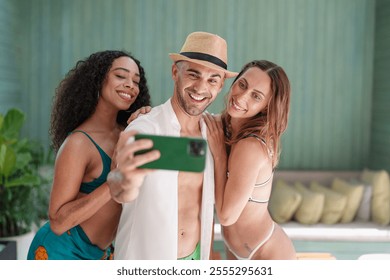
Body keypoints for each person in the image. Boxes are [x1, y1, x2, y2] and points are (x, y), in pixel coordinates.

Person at [107, 31, 237, 260]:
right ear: (175, 72)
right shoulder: (146, 127)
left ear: (221, 85)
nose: (200, 87)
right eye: (193, 74)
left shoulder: (215, 132)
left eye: (212, 80)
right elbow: (119, 187)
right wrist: (124, 181)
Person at [27, 50, 151, 260]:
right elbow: (58, 222)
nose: (131, 85)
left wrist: (148, 122)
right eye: (120, 76)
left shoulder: (129, 132)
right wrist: (112, 184)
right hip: (60, 252)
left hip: (102, 254)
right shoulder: (78, 143)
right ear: (97, 80)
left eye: (136, 81)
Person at [203, 60, 297, 260]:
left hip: (267, 253)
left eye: (256, 96)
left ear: (266, 106)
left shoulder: (251, 146)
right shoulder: (226, 125)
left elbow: (227, 216)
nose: (241, 97)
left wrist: (219, 153)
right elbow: (189, 121)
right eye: (242, 84)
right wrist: (147, 115)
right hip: (237, 250)